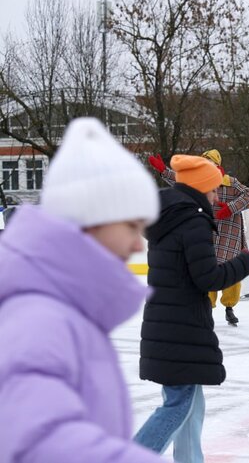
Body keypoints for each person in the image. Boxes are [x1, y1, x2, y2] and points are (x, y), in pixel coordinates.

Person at [0, 118, 165, 462]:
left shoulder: (64, 310)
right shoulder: (40, 317)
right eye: (132, 226)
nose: (138, 244)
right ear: (90, 219)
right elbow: (38, 439)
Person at [135, 155, 249, 462]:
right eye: (214, 189)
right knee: (179, 404)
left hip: (168, 324)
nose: (217, 197)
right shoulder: (192, 222)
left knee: (191, 404)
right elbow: (208, 278)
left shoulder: (171, 217)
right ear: (201, 188)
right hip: (181, 327)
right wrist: (246, 259)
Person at [148, 149, 249, 326]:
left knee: (231, 272)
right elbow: (181, 181)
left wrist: (230, 208)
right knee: (209, 269)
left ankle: (229, 307)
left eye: (210, 162)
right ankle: (208, 305)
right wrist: (164, 170)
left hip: (230, 233)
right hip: (210, 230)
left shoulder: (231, 182)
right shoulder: (200, 181)